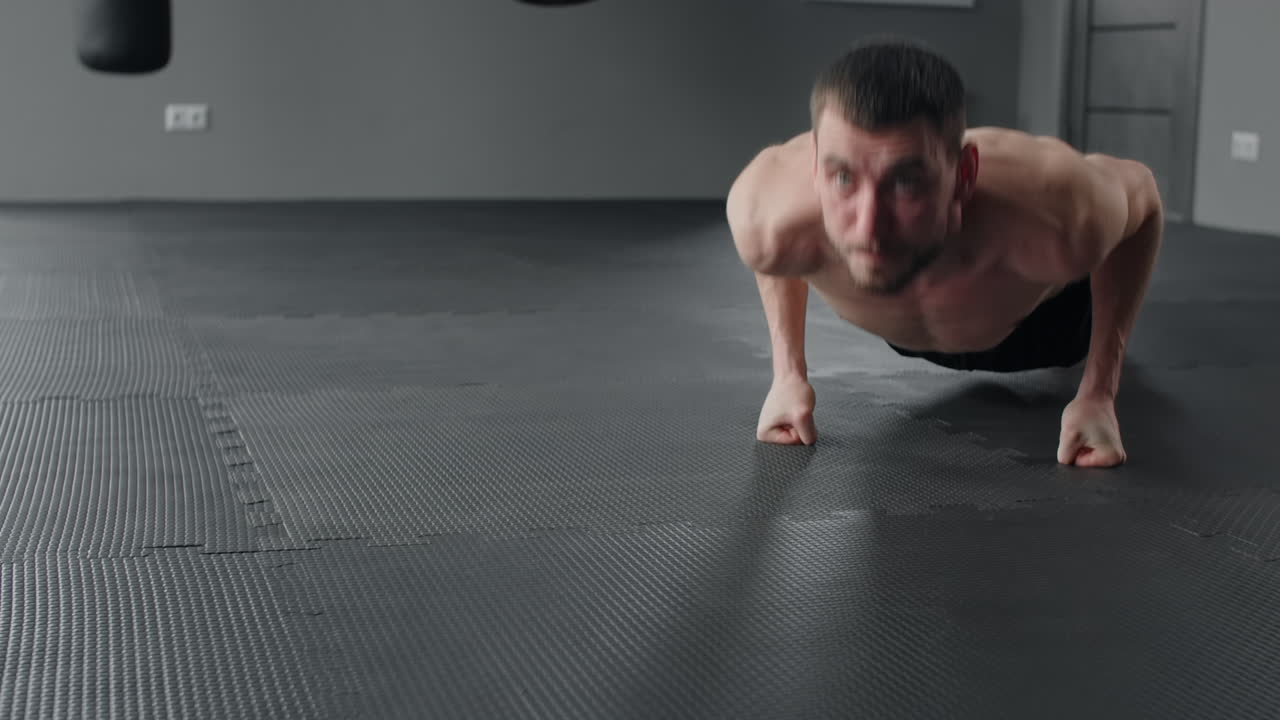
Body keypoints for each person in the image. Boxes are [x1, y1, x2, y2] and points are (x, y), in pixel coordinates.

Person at [725, 36, 1163, 468]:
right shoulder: (766, 218)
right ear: (816, 165)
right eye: (843, 178)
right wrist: (787, 376)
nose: (868, 226)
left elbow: (1143, 194)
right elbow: (777, 256)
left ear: (965, 175)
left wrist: (1099, 392)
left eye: (905, 182)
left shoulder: (1061, 212)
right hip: (904, 330)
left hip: (1042, 326)